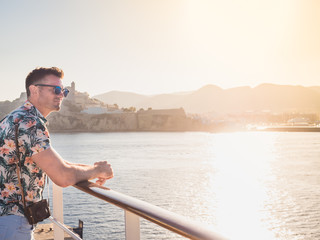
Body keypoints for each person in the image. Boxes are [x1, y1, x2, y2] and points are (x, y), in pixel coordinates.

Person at [0, 67, 114, 239]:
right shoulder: (30, 123)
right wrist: (97, 171)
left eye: (64, 91)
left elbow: (54, 161)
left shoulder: (14, 118)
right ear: (34, 90)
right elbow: (62, 176)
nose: (61, 95)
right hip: (13, 222)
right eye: (56, 89)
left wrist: (94, 167)